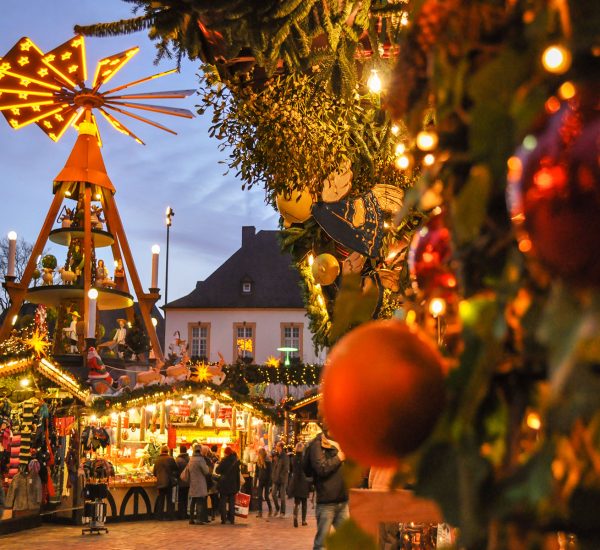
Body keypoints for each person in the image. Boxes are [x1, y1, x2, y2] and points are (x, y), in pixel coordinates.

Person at [307, 428, 349, 550]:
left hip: (342, 500)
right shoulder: (317, 444)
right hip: (327, 501)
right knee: (322, 544)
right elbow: (321, 468)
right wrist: (339, 458)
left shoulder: (341, 443)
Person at [185, 444, 210, 525]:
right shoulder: (201, 460)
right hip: (200, 483)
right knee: (200, 501)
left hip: (192, 482)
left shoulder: (191, 459)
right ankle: (199, 519)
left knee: (193, 501)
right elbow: (206, 471)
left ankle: (191, 519)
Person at [215, 446, 240, 524]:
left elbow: (217, 471)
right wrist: (238, 486)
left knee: (223, 502)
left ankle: (224, 519)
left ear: (226, 453)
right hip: (233, 485)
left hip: (224, 484)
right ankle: (232, 519)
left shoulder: (224, 461)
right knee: (232, 503)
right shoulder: (235, 461)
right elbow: (237, 475)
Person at [153, 445, 179, 521]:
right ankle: (170, 516)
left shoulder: (157, 460)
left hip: (160, 483)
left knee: (161, 500)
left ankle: (159, 516)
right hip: (169, 482)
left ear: (161, 451)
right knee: (169, 500)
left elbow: (154, 472)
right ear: (167, 451)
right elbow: (176, 470)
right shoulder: (171, 459)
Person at [289, 441, 311, 527]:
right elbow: (308, 470)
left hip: (296, 481)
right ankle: (303, 520)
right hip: (304, 481)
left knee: (296, 501)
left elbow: (291, 470)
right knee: (304, 502)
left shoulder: (293, 459)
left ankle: (295, 516)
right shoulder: (305, 458)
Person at [272, 440, 290, 517]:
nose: (276, 447)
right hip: (276, 478)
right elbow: (274, 467)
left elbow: (286, 469)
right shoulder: (277, 456)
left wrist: (281, 477)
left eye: (277, 446)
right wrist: (273, 476)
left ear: (280, 447)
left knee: (282, 497)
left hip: (282, 479)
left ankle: (283, 512)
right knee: (273, 494)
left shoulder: (285, 456)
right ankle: (277, 508)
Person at [255, 447, 272, 518]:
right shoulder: (258, 461)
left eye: (259, 454)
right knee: (259, 496)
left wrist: (269, 482)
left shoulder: (268, 461)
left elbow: (270, 472)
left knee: (266, 496)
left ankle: (270, 508)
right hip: (261, 480)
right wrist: (255, 481)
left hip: (266, 481)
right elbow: (257, 472)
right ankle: (260, 511)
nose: (258, 455)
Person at [175, 444, 190, 519]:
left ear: (180, 450)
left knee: (180, 499)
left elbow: (175, 471)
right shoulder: (190, 459)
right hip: (188, 482)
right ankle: (185, 513)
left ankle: (180, 514)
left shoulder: (178, 460)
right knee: (186, 499)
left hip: (180, 482)